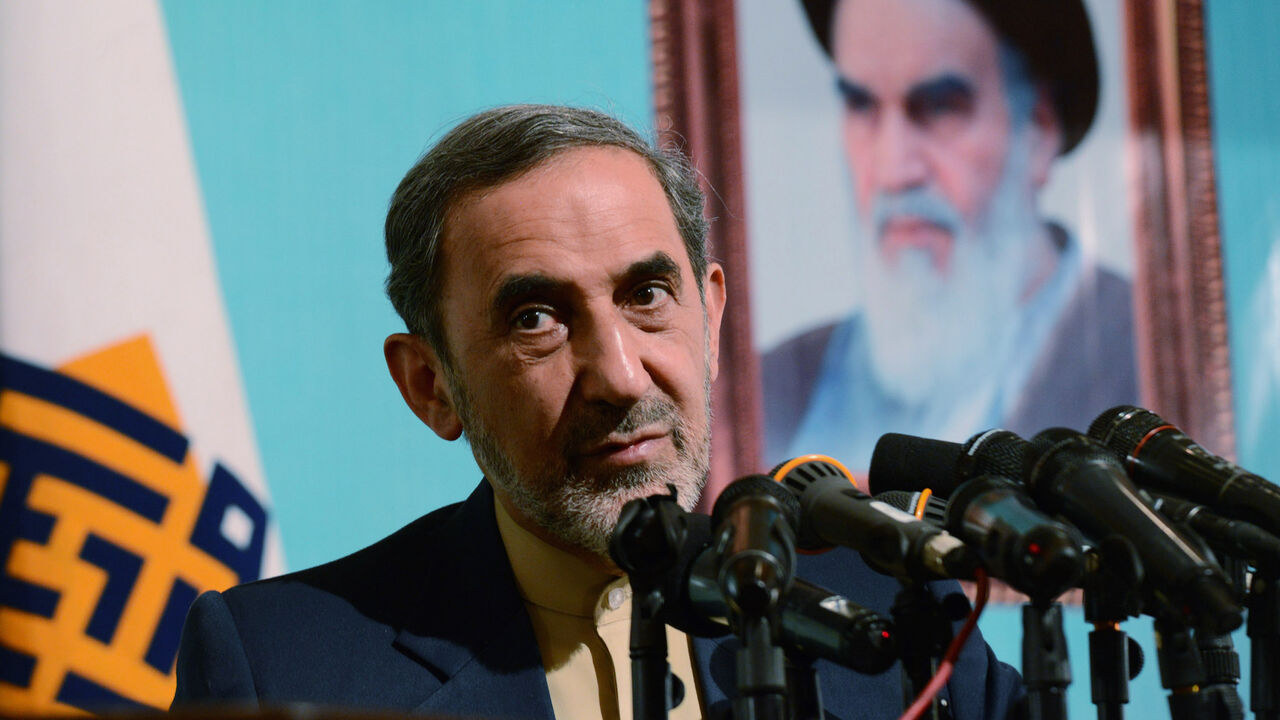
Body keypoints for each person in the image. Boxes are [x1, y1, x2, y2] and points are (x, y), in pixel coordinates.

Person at [171, 105, 1022, 719]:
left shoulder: (905, 619)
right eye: (536, 318)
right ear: (431, 385)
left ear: (712, 319)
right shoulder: (282, 665)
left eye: (648, 295)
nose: (618, 375)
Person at [764, 0, 1138, 467]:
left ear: (1039, 129)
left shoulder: (1145, 361)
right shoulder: (774, 390)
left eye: (939, 108)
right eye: (862, 105)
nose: (893, 169)